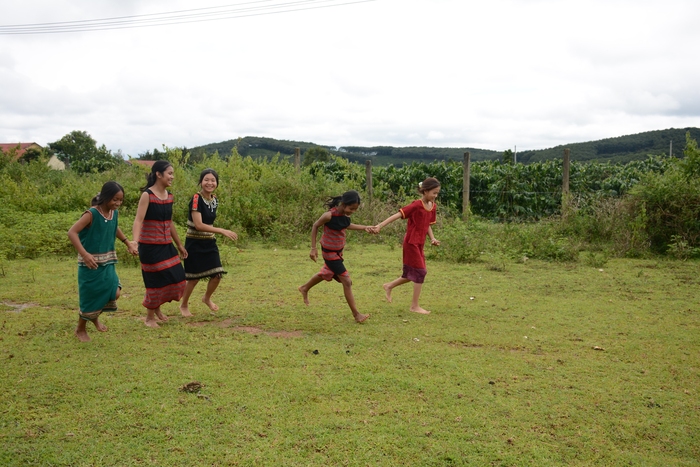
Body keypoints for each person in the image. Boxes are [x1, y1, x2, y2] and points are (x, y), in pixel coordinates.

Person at [67, 181, 139, 342]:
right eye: (115, 199)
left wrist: (128, 243)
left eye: (120, 200)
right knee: (90, 297)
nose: (118, 203)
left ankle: (94, 317)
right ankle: (80, 329)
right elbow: (72, 232)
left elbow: (114, 228)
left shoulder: (113, 213)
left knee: (114, 292)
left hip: (108, 262)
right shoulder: (91, 214)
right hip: (90, 264)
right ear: (105, 197)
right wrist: (84, 254)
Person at [298, 190, 373, 323]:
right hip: (329, 253)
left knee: (327, 272)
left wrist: (365, 227)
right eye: (351, 208)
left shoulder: (345, 216)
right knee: (347, 282)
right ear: (344, 204)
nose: (353, 211)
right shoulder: (329, 215)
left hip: (338, 252)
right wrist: (313, 248)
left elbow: (347, 225)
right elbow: (315, 226)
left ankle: (304, 288)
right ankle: (356, 315)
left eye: (355, 209)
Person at [371, 177, 441, 314]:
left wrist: (432, 238)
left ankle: (389, 286)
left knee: (413, 274)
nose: (435, 196)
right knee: (420, 272)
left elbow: (427, 225)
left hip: (420, 244)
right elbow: (396, 215)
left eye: (437, 193)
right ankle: (414, 306)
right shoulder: (416, 205)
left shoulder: (432, 207)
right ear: (425, 191)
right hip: (411, 243)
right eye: (434, 193)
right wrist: (380, 226)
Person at [132, 160, 187, 328]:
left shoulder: (169, 196)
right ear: (158, 174)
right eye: (169, 173)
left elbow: (169, 222)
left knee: (178, 278)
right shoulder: (147, 195)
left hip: (166, 244)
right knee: (155, 281)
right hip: (149, 246)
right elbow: (138, 220)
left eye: (172, 173)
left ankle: (156, 308)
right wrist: (135, 242)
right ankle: (149, 317)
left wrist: (179, 244)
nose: (172, 177)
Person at [179, 168, 238, 316]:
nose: (209, 183)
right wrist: (222, 230)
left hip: (209, 242)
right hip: (194, 243)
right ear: (201, 182)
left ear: (217, 183)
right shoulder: (196, 199)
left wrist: (215, 231)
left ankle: (206, 298)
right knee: (193, 278)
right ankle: (184, 305)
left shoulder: (214, 199)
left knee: (217, 274)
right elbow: (198, 225)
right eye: (206, 180)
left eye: (213, 180)